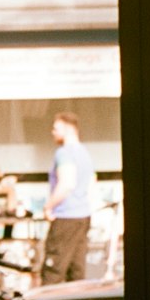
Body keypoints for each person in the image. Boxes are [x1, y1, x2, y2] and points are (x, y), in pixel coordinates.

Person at [41, 112, 95, 283]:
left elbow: (67, 183)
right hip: (83, 217)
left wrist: (48, 207)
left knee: (53, 272)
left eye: (56, 128)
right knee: (76, 271)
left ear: (67, 129)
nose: (52, 132)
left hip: (65, 218)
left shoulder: (64, 153)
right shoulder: (84, 153)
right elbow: (92, 182)